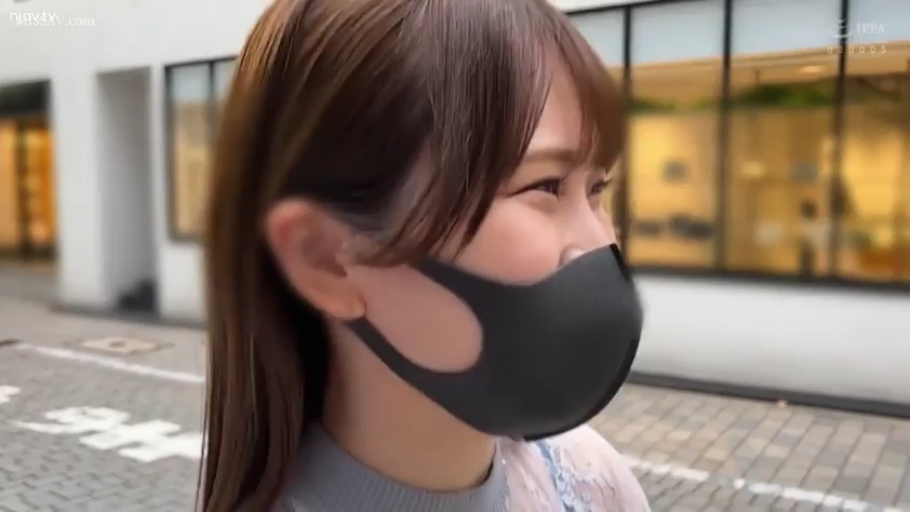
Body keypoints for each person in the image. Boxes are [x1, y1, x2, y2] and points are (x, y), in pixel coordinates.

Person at [199, 0, 649, 510]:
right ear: (324, 257)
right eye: (546, 186)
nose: (600, 243)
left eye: (597, 189)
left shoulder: (595, 483)